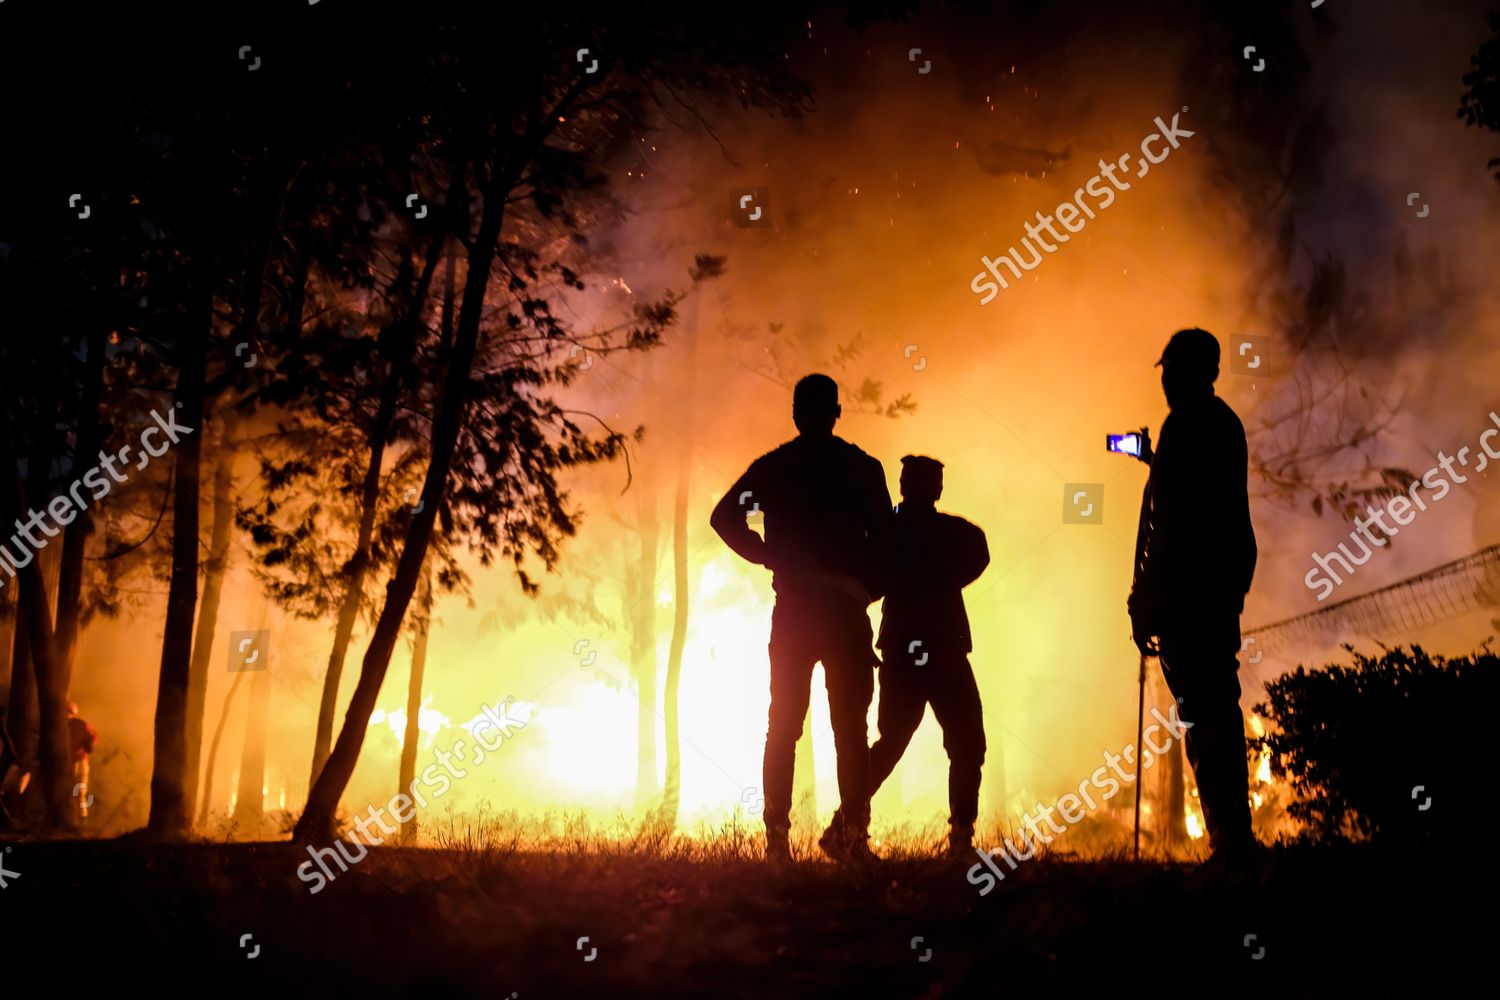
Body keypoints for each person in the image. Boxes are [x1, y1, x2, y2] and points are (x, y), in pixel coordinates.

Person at [710, 374, 892, 863]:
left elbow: (725, 518)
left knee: (785, 726)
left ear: (796, 413)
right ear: (837, 413)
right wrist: (864, 589)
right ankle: (853, 839)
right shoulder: (861, 468)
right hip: (842, 615)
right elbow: (886, 546)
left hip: (796, 612)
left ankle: (778, 844)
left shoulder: (776, 469)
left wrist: (771, 558)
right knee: (847, 729)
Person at [1128, 328, 1258, 864]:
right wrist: (1154, 460)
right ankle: (1233, 836)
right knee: (1214, 710)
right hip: (1217, 586)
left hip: (1191, 593)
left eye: (1170, 372)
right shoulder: (1221, 423)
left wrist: (1145, 601)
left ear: (1193, 372)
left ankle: (1230, 842)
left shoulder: (1187, 425)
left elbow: (1174, 526)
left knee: (1204, 714)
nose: (1164, 384)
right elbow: (1194, 497)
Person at [826, 455, 989, 855]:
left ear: (903, 485)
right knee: (966, 742)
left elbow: (869, 580)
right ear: (934, 489)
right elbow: (979, 551)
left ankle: (844, 828)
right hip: (943, 649)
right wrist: (943, 580)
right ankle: (961, 838)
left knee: (893, 741)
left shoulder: (888, 533)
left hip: (906, 648)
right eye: (933, 481)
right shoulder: (948, 533)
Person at [67, 701, 97, 825]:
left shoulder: (80, 724)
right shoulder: (81, 724)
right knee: (77, 790)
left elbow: (93, 738)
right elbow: (93, 738)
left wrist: (84, 750)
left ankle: (81, 817)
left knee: (78, 789)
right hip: (74, 761)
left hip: (78, 762)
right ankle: (79, 817)